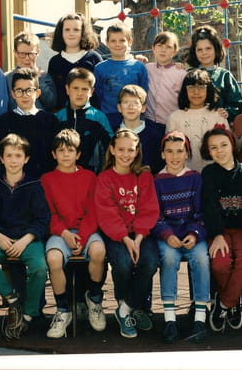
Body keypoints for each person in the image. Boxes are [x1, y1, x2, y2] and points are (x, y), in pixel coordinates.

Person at [0, 134, 50, 341]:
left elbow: (42, 219)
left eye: (18, 155)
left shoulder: (34, 185)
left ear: (26, 159)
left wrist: (27, 239)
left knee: (39, 268)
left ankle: (29, 313)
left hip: (28, 239)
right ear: (1, 159)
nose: (13, 160)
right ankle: (12, 298)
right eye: (9, 155)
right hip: (2, 237)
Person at [41, 129, 107, 339]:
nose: (66, 155)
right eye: (61, 151)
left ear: (78, 154)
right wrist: (64, 234)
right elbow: (49, 213)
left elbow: (93, 212)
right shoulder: (47, 179)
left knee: (99, 251)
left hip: (86, 231)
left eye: (70, 150)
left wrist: (83, 237)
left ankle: (94, 299)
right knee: (53, 258)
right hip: (60, 232)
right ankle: (63, 310)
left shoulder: (89, 177)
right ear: (54, 154)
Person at [94, 129, 159, 339]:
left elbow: (148, 209)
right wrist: (125, 239)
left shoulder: (144, 176)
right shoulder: (105, 178)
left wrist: (138, 238)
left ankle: (127, 308)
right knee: (123, 264)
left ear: (137, 151)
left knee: (149, 262)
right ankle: (128, 304)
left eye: (130, 150)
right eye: (121, 149)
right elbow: (107, 213)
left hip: (141, 234)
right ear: (112, 150)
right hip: (116, 234)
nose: (125, 154)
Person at [200, 126, 242, 334]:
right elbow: (209, 206)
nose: (220, 151)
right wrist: (217, 234)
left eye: (224, 145)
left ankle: (224, 304)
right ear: (208, 151)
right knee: (220, 263)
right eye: (213, 147)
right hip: (221, 231)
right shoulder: (208, 173)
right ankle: (232, 302)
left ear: (233, 145)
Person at [152, 131, 209, 344]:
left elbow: (201, 213)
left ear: (187, 154)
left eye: (179, 151)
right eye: (169, 151)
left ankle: (200, 318)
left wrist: (194, 234)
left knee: (201, 259)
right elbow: (155, 216)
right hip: (168, 236)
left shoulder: (194, 178)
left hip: (192, 235)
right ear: (162, 154)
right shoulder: (157, 181)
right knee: (168, 259)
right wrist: (167, 235)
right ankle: (170, 319)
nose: (174, 156)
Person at [0, 67, 58, 180]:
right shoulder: (3, 122)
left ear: (37, 93)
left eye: (29, 90)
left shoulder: (50, 121)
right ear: (13, 94)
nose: (24, 95)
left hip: (43, 182)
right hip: (13, 183)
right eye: (19, 91)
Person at [165, 69, 229, 174]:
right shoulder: (175, 118)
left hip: (215, 174)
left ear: (208, 89)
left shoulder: (218, 115)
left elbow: (227, 149)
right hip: (184, 175)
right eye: (191, 87)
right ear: (184, 90)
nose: (196, 92)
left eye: (201, 87)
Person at [53, 67, 113, 174]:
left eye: (85, 89)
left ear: (92, 91)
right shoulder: (58, 117)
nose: (80, 93)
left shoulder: (99, 118)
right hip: (62, 175)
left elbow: (109, 149)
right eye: (75, 88)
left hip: (92, 176)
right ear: (67, 89)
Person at [93, 21, 149, 130]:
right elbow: (98, 95)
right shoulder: (100, 68)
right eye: (113, 41)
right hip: (108, 118)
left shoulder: (139, 67)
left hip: (133, 118)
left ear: (130, 41)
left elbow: (144, 94)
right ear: (107, 42)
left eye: (122, 40)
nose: (117, 44)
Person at [186, 25, 242, 123]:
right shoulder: (188, 74)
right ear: (194, 52)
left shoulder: (225, 76)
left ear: (216, 49)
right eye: (199, 49)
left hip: (218, 125)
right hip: (192, 123)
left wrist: (227, 112)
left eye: (208, 48)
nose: (204, 53)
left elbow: (238, 105)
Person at [47, 12, 103, 112]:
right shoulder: (55, 62)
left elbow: (101, 92)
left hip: (91, 116)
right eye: (67, 30)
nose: (71, 33)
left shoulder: (94, 58)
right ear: (61, 33)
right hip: (63, 117)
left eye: (76, 30)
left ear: (83, 32)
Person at [145, 31, 187, 133]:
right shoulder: (147, 68)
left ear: (174, 51)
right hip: (149, 122)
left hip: (171, 124)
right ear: (153, 49)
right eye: (159, 46)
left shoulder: (181, 73)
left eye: (168, 47)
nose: (163, 50)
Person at [116, 84, 164, 173]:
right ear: (119, 107)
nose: (131, 107)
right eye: (126, 102)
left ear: (143, 108)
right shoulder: (113, 132)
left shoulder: (154, 132)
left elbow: (159, 162)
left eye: (136, 103)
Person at [5, 31, 57, 112]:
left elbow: (51, 104)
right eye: (22, 54)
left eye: (31, 54)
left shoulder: (44, 77)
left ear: (38, 52)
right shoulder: (7, 78)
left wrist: (39, 80)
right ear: (15, 53)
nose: (27, 58)